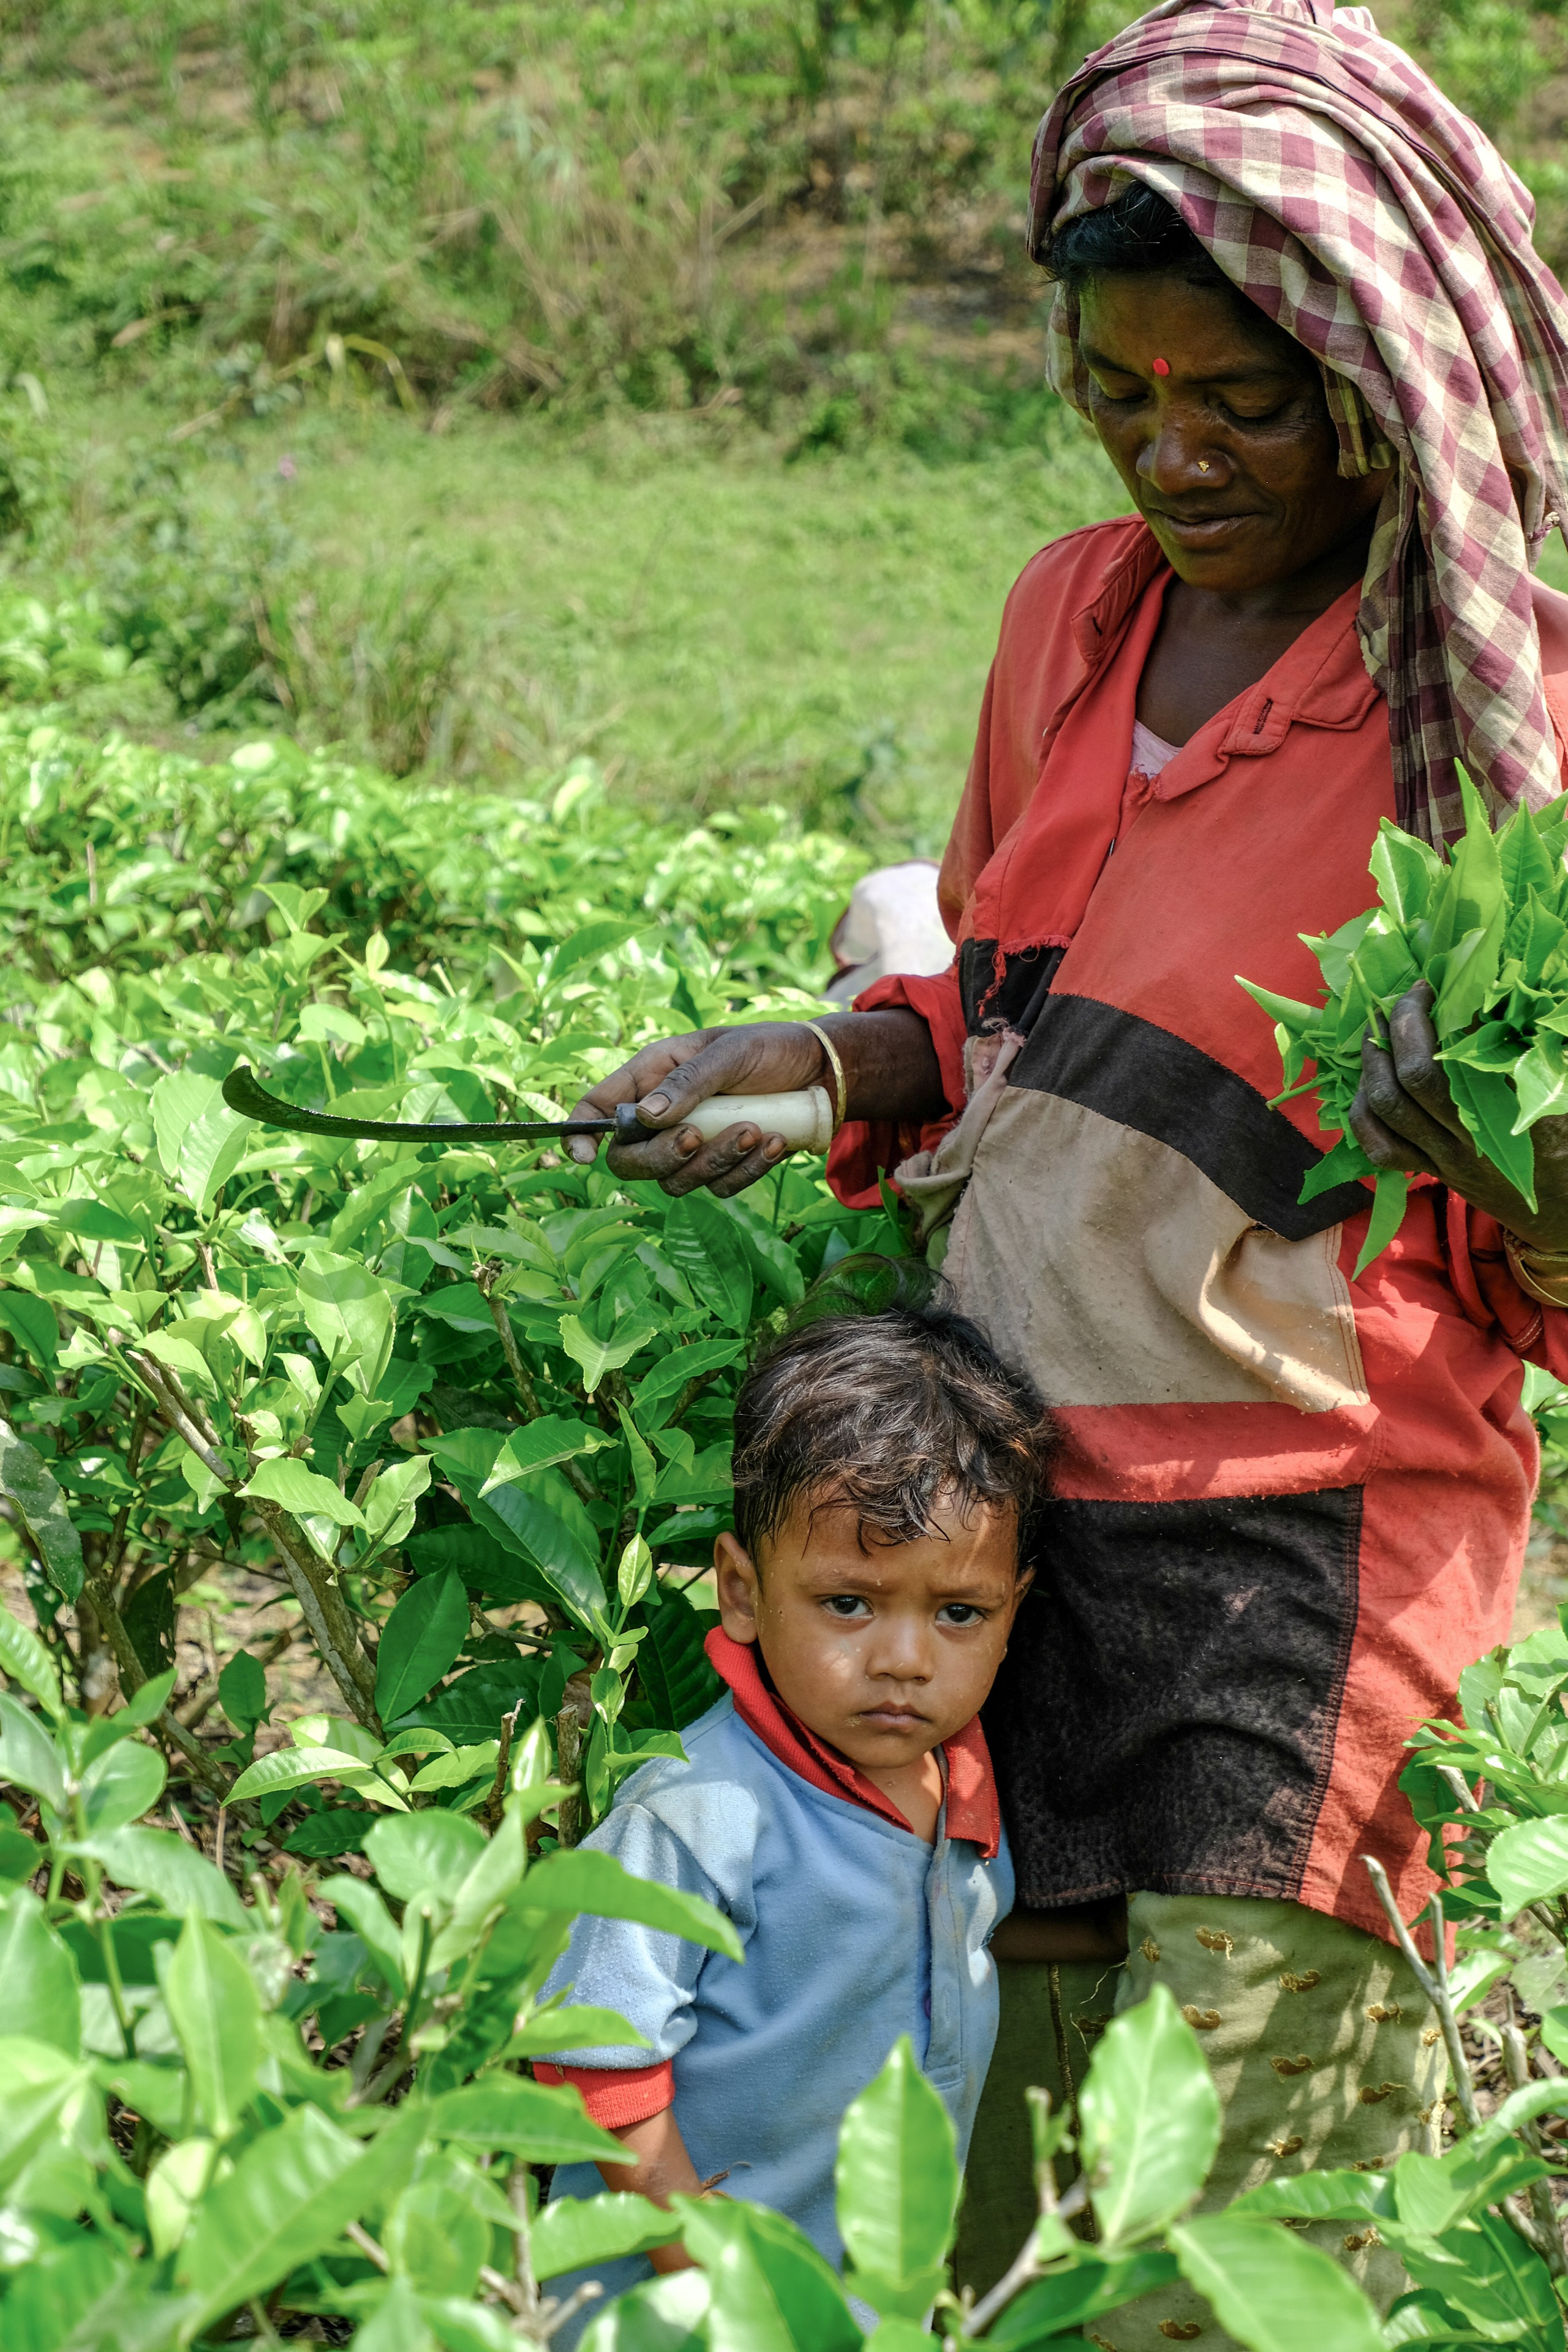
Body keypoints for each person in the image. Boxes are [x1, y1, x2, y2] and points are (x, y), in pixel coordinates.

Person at [567, 3, 1568, 2338]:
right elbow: (1005, 1003)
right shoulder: (1069, 617)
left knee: (1199, 2242)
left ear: (1381, 375)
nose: (1172, 458)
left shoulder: (1490, 735)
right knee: (1002, 2201)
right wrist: (822, 1064)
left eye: (1238, 401)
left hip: (1292, 1568)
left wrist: (1520, 1161)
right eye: (1120, 396)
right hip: (1001, 1528)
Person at [534, 1286, 1049, 2332]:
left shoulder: (962, 1788)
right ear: (740, 1590)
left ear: (1013, 1614)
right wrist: (704, 2263)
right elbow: (591, 2059)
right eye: (848, 1603)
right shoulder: (699, 1817)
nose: (903, 1660)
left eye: (958, 1613)